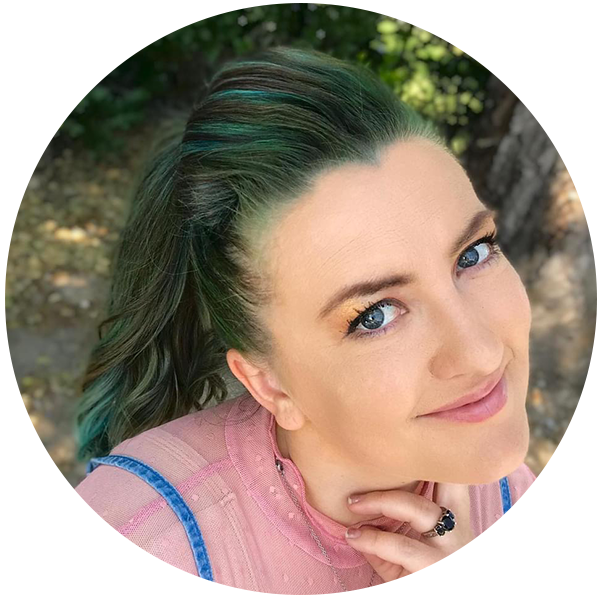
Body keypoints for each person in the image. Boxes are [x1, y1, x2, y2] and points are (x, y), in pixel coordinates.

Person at [5, 46, 583, 595]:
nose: (482, 353)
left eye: (473, 254)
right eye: (376, 315)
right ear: (268, 382)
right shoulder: (116, 570)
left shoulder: (506, 509)